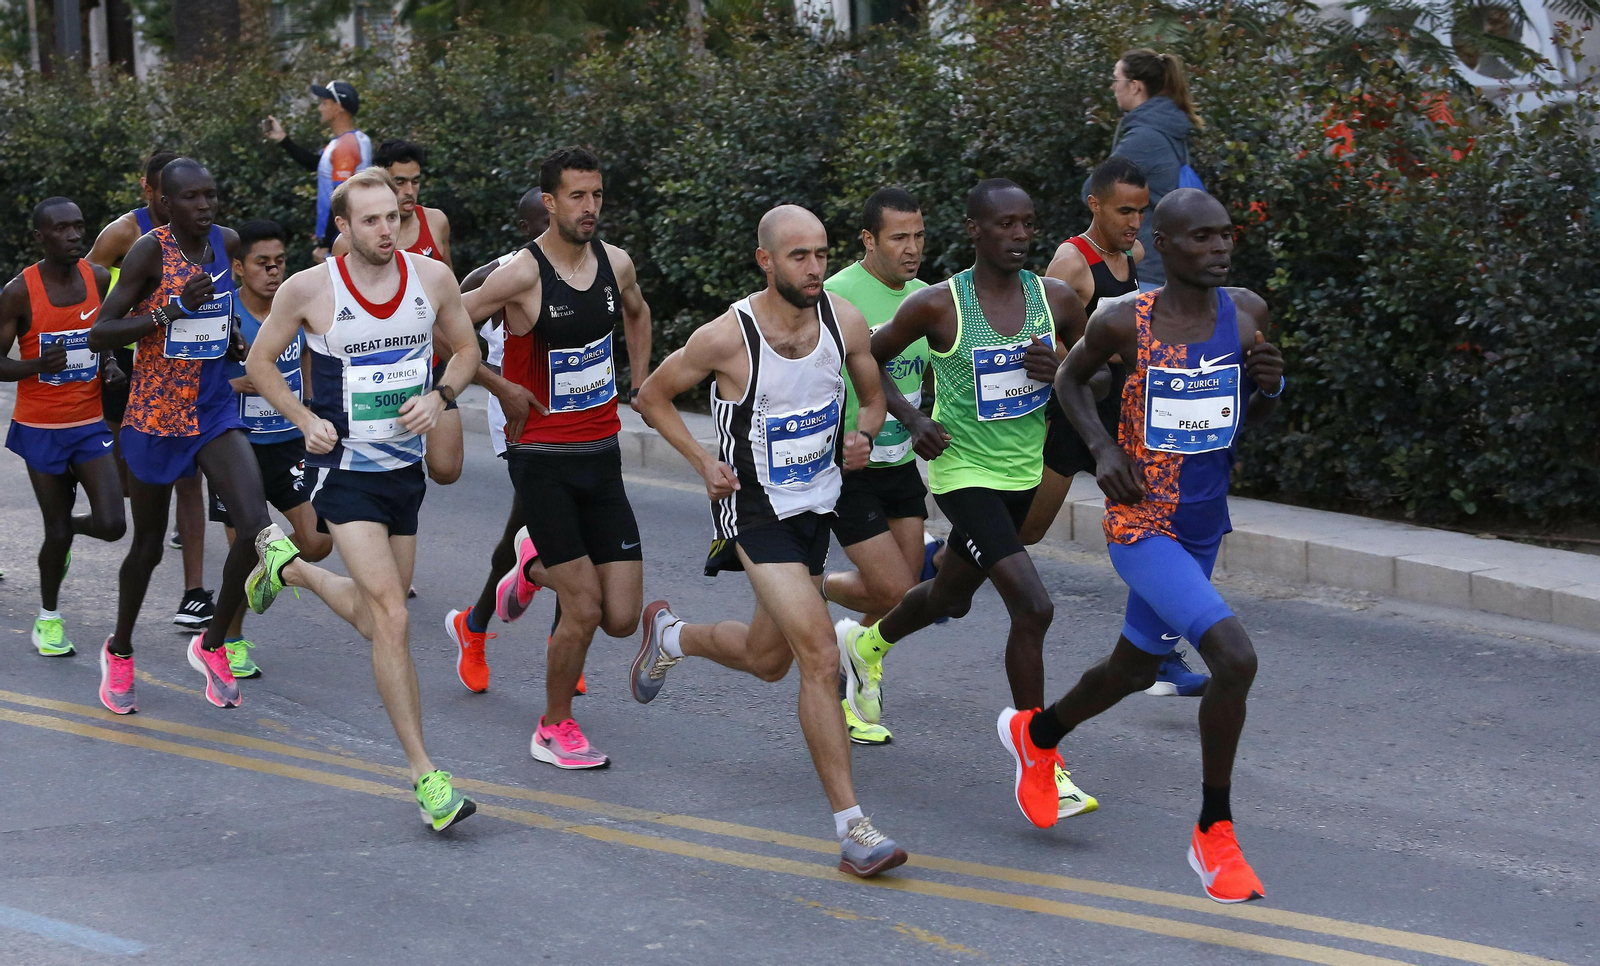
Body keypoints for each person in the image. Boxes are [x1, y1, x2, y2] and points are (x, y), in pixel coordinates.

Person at [1001, 188, 1283, 904]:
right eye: (1202, 238)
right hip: (1141, 522)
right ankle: (1214, 832)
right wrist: (1101, 448)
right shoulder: (1124, 320)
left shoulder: (1247, 313)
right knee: (1234, 658)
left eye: (1226, 235)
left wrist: (1270, 389)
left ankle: (1038, 736)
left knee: (1132, 669)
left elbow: (1240, 413)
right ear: (1165, 245)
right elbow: (1071, 381)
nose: (1219, 248)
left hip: (1203, 524)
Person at [631, 204, 909, 879]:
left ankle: (672, 637)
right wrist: (703, 463)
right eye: (798, 256)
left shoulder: (844, 321)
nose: (814, 268)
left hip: (820, 500)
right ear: (766, 261)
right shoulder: (727, 337)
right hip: (755, 511)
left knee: (768, 658)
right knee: (818, 654)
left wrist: (864, 434)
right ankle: (854, 829)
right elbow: (651, 395)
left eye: (821, 255)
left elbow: (872, 397)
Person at [837, 179, 1097, 822]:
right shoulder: (937, 305)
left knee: (950, 596)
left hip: (1022, 473)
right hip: (962, 474)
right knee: (1033, 606)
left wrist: (1063, 369)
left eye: (1027, 223)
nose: (1019, 235)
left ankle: (865, 647)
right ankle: (1039, 754)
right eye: (1004, 224)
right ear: (974, 230)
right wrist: (912, 418)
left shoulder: (1056, 299)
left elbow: (1099, 369)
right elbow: (867, 358)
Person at [242, 166, 482, 832]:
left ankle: (291, 569)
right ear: (343, 227)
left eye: (394, 217)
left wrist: (441, 395)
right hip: (342, 470)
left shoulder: (432, 279)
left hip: (404, 471)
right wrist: (302, 419)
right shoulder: (309, 288)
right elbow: (260, 363)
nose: (386, 230)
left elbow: (467, 348)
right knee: (393, 617)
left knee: (379, 621)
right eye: (370, 219)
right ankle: (426, 776)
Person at [460, 148, 652, 770]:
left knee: (621, 617)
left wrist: (641, 383)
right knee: (585, 606)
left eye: (596, 195)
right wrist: (499, 386)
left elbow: (638, 311)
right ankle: (553, 726)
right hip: (541, 457)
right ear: (549, 202)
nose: (590, 207)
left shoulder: (615, 263)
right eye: (577, 196)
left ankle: (530, 563)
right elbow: (444, 325)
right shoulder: (521, 274)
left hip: (603, 454)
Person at [87, 158, 278, 715]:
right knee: (147, 548)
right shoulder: (149, 251)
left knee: (255, 527)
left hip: (213, 409)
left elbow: (222, 307)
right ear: (165, 204)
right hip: (155, 416)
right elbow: (101, 332)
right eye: (191, 197)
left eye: (210, 194)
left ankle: (212, 643)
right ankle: (120, 649)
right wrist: (169, 312)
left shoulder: (227, 241)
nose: (204, 205)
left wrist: (232, 335)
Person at [818, 187, 931, 747]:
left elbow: (928, 371)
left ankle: (856, 666)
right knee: (893, 590)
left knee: (904, 596)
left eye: (919, 236)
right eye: (898, 238)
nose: (912, 248)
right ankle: (808, 586)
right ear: (869, 239)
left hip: (900, 461)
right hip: (849, 462)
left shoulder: (924, 297)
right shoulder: (837, 295)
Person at [87, 149, 214, 631]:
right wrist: (102, 358)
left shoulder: (211, 238)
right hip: (128, 361)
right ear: (155, 193)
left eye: (203, 194)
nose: (194, 203)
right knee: (128, 487)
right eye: (179, 194)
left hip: (189, 371)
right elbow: (90, 285)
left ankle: (194, 592)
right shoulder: (126, 233)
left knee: (191, 480)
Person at [206, 218, 334, 678]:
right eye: (262, 263)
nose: (274, 270)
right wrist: (235, 383)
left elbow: (307, 358)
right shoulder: (221, 312)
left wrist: (312, 409)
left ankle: (270, 569)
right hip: (235, 447)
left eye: (280, 261)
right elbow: (191, 377)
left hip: (288, 443)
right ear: (239, 267)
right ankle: (231, 641)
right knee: (243, 547)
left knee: (317, 541)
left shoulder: (294, 305)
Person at [0, 198, 127, 657]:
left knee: (112, 524)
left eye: (78, 226)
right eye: (61, 229)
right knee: (54, 534)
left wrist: (109, 363)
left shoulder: (98, 278)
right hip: (40, 427)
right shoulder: (19, 292)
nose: (74, 235)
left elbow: (102, 335)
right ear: (40, 237)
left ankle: (65, 530)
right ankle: (48, 619)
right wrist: (36, 364)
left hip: (88, 424)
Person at [445, 188, 557, 694]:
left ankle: (561, 644)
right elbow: (446, 335)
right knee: (536, 522)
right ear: (523, 228)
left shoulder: (592, 269)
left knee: (565, 528)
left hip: (574, 411)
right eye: (541, 222)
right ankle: (474, 627)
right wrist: (498, 384)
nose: (552, 230)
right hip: (517, 413)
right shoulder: (491, 277)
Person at [335, 138, 462, 486]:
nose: (409, 191)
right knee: (379, 476)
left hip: (433, 366)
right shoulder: (349, 241)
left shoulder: (436, 222)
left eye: (415, 181)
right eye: (399, 182)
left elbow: (451, 298)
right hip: (377, 372)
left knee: (446, 470)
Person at [1094, 49, 1204, 292]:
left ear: (1135, 86)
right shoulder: (1167, 128)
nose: (1113, 87)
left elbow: (1094, 193)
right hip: (1163, 264)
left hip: (1144, 270)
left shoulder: (1144, 138)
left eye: (1116, 79)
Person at [263, 80, 372, 259]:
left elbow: (342, 199)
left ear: (338, 107)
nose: (320, 108)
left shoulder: (345, 145)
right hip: (344, 235)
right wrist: (283, 139)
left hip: (340, 240)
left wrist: (325, 243)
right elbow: (315, 163)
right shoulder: (353, 139)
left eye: (324, 103)